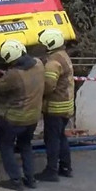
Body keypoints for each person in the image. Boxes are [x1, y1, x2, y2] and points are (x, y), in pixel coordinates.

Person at [0, 39, 45, 191]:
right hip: (33, 117)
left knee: (6, 146)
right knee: (25, 145)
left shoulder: (14, 74)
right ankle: (30, 179)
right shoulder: (39, 64)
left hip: (16, 119)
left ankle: (15, 181)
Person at [35, 29, 74, 182]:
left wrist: (37, 92)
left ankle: (51, 171)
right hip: (66, 105)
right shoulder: (63, 56)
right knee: (61, 137)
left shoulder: (53, 62)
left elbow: (49, 85)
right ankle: (66, 167)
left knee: (51, 139)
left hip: (55, 107)